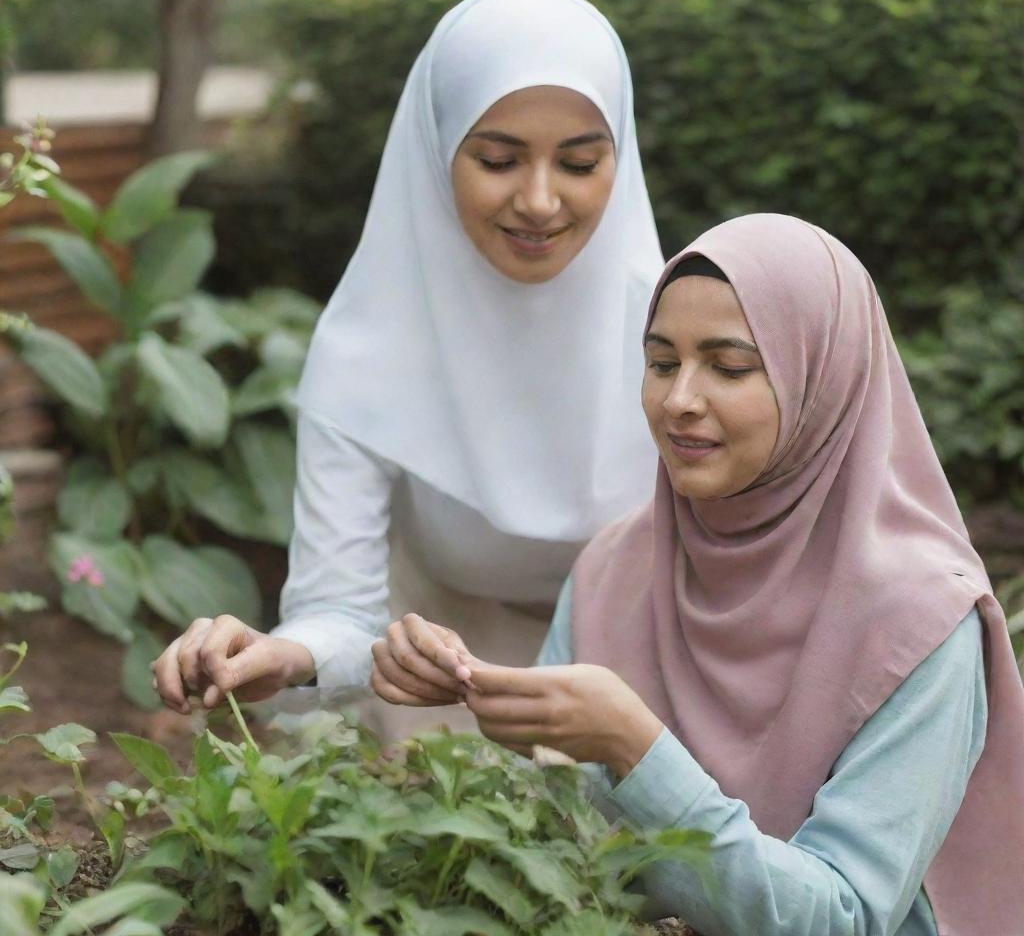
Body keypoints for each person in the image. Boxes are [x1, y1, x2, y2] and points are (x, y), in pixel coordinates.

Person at [375, 214, 1024, 935]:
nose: (680, 399)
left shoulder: (922, 619)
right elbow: (553, 834)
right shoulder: (616, 567)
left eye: (730, 366)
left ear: (821, 381)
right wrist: (486, 697)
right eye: (660, 362)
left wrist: (634, 747)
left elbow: (845, 918)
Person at [152, 0, 665, 736]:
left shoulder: (677, 337)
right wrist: (280, 655)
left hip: (654, 672)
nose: (541, 201)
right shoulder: (368, 349)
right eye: (497, 159)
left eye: (581, 164)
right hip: (438, 679)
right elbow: (343, 613)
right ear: (434, 150)